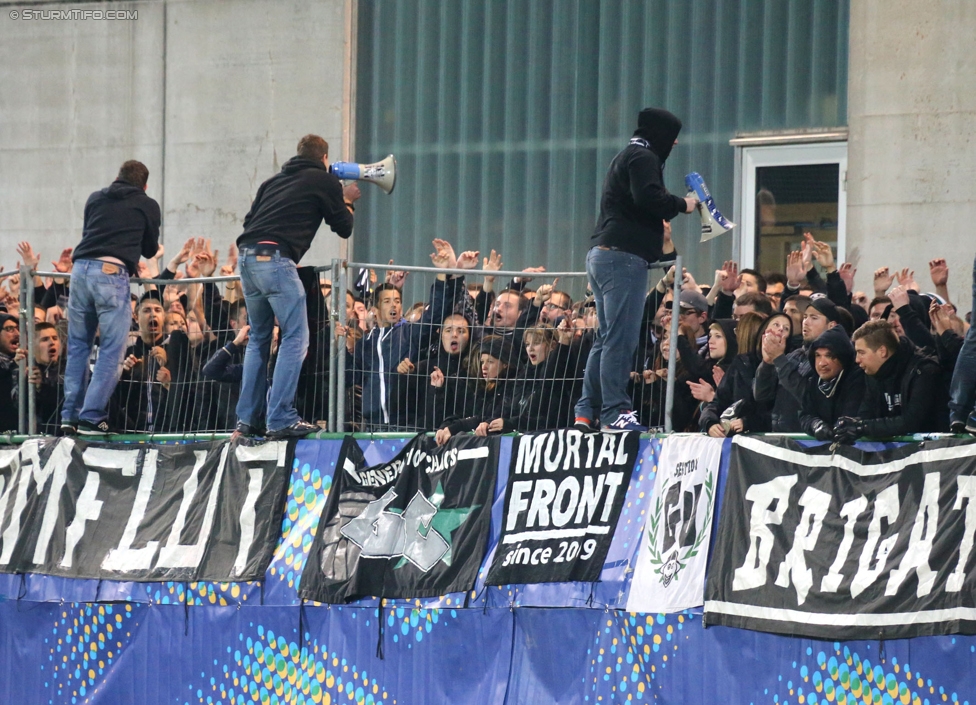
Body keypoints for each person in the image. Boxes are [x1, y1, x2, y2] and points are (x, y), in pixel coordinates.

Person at [574, 107, 697, 432]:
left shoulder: (625, 156)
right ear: (661, 137)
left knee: (605, 338)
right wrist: (683, 205)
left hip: (602, 255)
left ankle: (586, 412)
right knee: (620, 339)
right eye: (672, 139)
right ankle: (616, 412)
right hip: (623, 259)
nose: (674, 146)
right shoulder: (643, 158)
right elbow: (649, 197)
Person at [234, 134, 360, 438]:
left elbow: (249, 220)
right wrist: (346, 200)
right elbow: (343, 227)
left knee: (259, 338)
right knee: (295, 337)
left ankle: (247, 420)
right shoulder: (324, 181)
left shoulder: (272, 182)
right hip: (276, 259)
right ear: (325, 158)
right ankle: (280, 418)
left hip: (247, 259)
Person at [61, 160, 161, 435]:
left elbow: (91, 235)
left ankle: (70, 416)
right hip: (111, 272)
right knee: (112, 349)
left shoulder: (95, 198)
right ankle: (92, 417)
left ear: (117, 177)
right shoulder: (146, 203)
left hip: (80, 271)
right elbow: (150, 249)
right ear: (144, 185)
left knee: (79, 346)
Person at [833, 320, 946, 441]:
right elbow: (867, 414)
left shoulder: (923, 370)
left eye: (861, 353)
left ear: (882, 351)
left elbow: (912, 421)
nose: (857, 360)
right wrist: (852, 424)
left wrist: (862, 427)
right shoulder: (873, 372)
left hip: (932, 453)